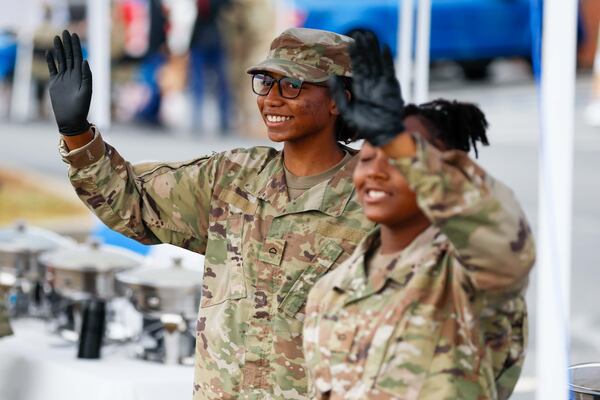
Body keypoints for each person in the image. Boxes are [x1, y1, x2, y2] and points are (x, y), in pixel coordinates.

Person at [46, 28, 375, 399]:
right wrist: (76, 133)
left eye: (293, 85)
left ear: (339, 101)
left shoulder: (378, 199)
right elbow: (131, 203)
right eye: (267, 82)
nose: (272, 99)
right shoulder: (233, 177)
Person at [303, 33, 536, 400]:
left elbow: (502, 231)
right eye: (367, 157)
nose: (376, 170)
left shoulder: (467, 273)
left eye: (398, 158)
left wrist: (397, 138)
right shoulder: (329, 290)